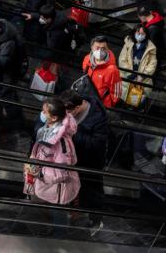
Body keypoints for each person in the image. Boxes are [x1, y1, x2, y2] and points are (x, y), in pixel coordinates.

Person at [26, 98, 80, 234]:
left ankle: (59, 238)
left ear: (54, 117)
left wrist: (39, 173)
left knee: (59, 215)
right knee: (47, 210)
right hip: (47, 186)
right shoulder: (49, 129)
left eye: (45, 112)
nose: (42, 114)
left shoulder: (61, 144)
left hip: (58, 190)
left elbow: (62, 173)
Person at [60, 89, 108, 235]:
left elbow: (96, 144)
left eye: (69, 112)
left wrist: (73, 133)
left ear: (78, 107)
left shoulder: (99, 118)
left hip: (90, 162)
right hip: (70, 158)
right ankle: (73, 211)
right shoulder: (73, 101)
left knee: (92, 192)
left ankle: (96, 221)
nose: (66, 116)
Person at [118, 25, 157, 106]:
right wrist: (130, 74)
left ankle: (135, 106)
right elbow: (122, 60)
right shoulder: (128, 43)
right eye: (138, 33)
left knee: (137, 98)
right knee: (126, 95)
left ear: (146, 35)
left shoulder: (150, 47)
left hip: (142, 77)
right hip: (128, 75)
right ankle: (127, 105)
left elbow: (152, 64)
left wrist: (142, 75)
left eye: (143, 34)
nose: (140, 36)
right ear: (134, 33)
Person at [82, 36, 122, 108]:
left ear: (107, 49)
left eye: (103, 48)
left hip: (102, 106)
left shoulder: (112, 70)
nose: (100, 51)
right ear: (92, 48)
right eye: (97, 48)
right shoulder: (87, 59)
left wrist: (107, 105)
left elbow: (117, 93)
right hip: (87, 101)